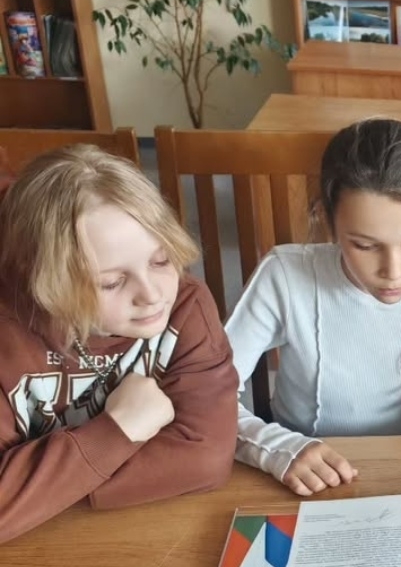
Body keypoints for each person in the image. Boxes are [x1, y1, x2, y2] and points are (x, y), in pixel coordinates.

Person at [0, 145, 239, 543]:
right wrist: (119, 430)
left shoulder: (185, 304)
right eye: (111, 282)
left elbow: (207, 458)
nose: (152, 294)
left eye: (161, 261)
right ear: (44, 279)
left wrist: (36, 489)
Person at [225, 118, 401, 497]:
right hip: (292, 481)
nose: (394, 271)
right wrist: (278, 449)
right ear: (328, 221)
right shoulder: (285, 277)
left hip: (397, 484)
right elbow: (204, 394)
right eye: (365, 245)